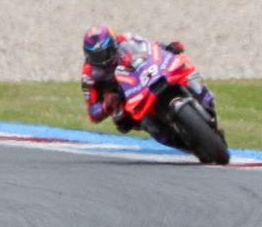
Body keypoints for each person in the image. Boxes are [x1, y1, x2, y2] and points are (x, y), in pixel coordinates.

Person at [80, 26, 215, 149]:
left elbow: (150, 47)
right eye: (95, 56)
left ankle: (205, 100)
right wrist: (106, 106)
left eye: (104, 53)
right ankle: (180, 143)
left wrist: (167, 48)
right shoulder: (89, 74)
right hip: (126, 98)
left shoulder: (126, 39)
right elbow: (92, 113)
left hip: (147, 76)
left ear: (113, 45)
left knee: (182, 67)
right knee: (130, 121)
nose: (102, 60)